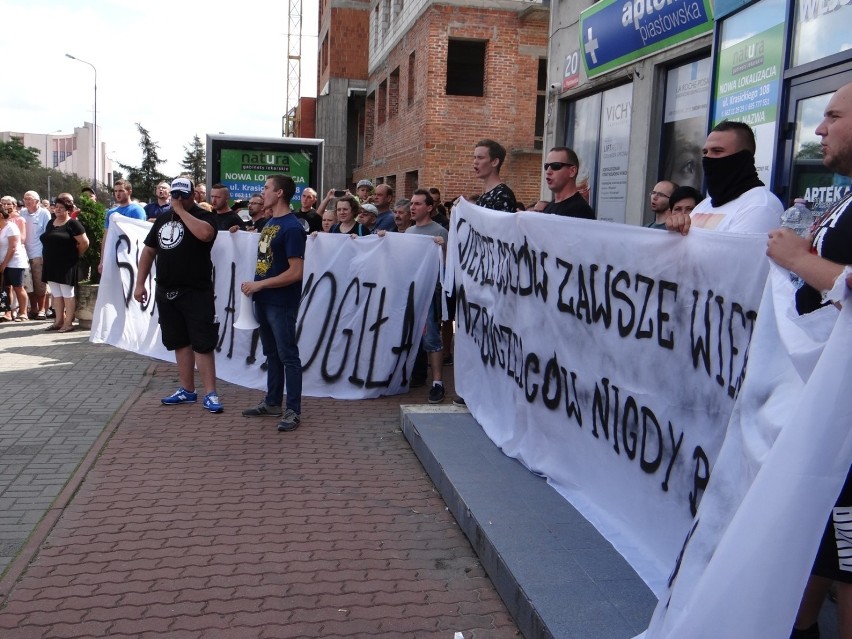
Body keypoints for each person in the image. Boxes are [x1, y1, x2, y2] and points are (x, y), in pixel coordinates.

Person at [767, 82, 852, 639]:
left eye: (833, 116)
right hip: (827, 415)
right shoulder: (843, 197)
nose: (818, 129)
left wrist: (802, 261)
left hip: (846, 427)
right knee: (814, 555)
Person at [133, 177, 223, 414]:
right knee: (179, 341)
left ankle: (211, 393)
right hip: (167, 290)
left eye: (183, 195)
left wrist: (181, 211)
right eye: (175, 195)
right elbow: (149, 250)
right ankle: (187, 389)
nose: (179, 199)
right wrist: (139, 283)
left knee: (202, 343)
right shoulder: (162, 219)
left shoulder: (204, 215)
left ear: (193, 194)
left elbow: (205, 235)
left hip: (196, 291)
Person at [240, 175, 306, 432]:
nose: (262, 192)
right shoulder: (270, 223)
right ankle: (272, 402)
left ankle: (294, 410)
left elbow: (296, 272)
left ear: (279, 193)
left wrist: (260, 285)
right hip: (265, 299)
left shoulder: (292, 227)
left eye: (266, 188)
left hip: (281, 302)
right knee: (272, 354)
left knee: (288, 355)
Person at [667, 120, 783, 235]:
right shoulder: (705, 204)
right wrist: (676, 230)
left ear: (742, 158)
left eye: (717, 151)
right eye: (705, 152)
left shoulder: (760, 205)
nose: (707, 158)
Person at [406, 189, 449, 403]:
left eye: (418, 204)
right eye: (411, 203)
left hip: (431, 292)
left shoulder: (440, 231)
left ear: (429, 207)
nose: (412, 207)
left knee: (432, 336)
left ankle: (438, 383)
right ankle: (413, 375)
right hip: (412, 292)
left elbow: (449, 265)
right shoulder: (409, 232)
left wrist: (444, 248)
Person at [39, 194, 89, 332]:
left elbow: (84, 243)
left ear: (68, 209)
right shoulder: (51, 222)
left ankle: (68, 323)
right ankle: (58, 321)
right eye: (56, 207)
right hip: (51, 263)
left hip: (66, 264)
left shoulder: (73, 223)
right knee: (56, 294)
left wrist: (75, 255)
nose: (58, 210)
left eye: (61, 208)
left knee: (67, 293)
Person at [99, 180, 146, 275]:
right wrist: (102, 260)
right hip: (114, 254)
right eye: (115, 191)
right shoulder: (111, 212)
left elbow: (140, 235)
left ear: (129, 192)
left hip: (131, 255)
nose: (117, 194)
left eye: (121, 191)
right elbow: (106, 237)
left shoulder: (137, 210)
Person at [21, 191, 51, 318]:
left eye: (30, 199)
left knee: (40, 284)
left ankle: (42, 310)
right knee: (29, 284)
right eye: (25, 198)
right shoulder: (22, 212)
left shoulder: (44, 213)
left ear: (37, 201)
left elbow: (48, 233)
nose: (27, 201)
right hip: (24, 254)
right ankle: (33, 309)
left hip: (39, 253)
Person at [542, 147, 596, 219]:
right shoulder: (549, 207)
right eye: (546, 166)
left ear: (572, 171)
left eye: (555, 166)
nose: (548, 171)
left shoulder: (580, 211)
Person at [0, 204, 29, 322]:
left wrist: (4, 264)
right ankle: (9, 312)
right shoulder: (1, 228)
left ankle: (23, 313)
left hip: (15, 262)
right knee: (7, 288)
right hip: (4, 262)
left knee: (18, 287)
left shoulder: (11, 227)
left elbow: (13, 247)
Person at [473, 139, 517, 213]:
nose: (475, 162)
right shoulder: (483, 197)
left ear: (494, 162)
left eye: (480, 158)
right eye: (475, 157)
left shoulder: (503, 195)